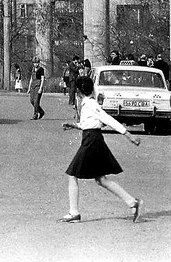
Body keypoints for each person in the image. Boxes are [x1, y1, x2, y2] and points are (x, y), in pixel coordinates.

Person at [60, 76, 143, 223]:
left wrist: (128, 135)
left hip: (91, 141)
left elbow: (107, 119)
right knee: (101, 179)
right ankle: (132, 203)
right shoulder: (87, 103)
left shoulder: (91, 104)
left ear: (78, 91)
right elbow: (89, 123)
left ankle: (74, 213)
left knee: (72, 174)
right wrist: (73, 125)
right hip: (92, 138)